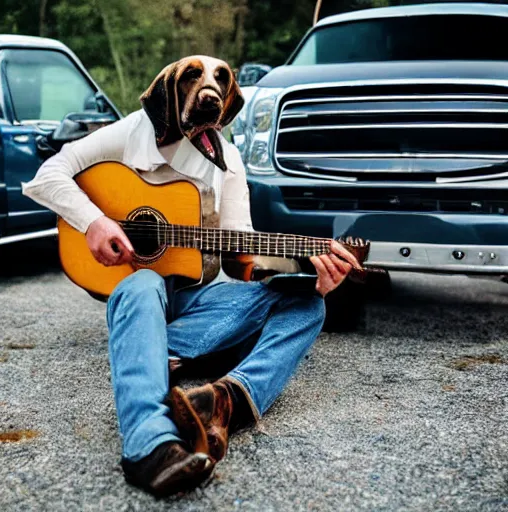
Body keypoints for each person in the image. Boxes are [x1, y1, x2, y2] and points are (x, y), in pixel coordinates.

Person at [23, 56, 361, 496]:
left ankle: (221, 399)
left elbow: (243, 256)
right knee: (144, 282)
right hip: (141, 296)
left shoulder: (229, 161)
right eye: (194, 79)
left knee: (306, 303)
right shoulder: (129, 133)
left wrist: (304, 269)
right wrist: (94, 222)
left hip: (198, 302)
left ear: (227, 102)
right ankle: (149, 447)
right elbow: (46, 176)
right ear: (169, 93)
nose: (208, 89)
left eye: (219, 83)